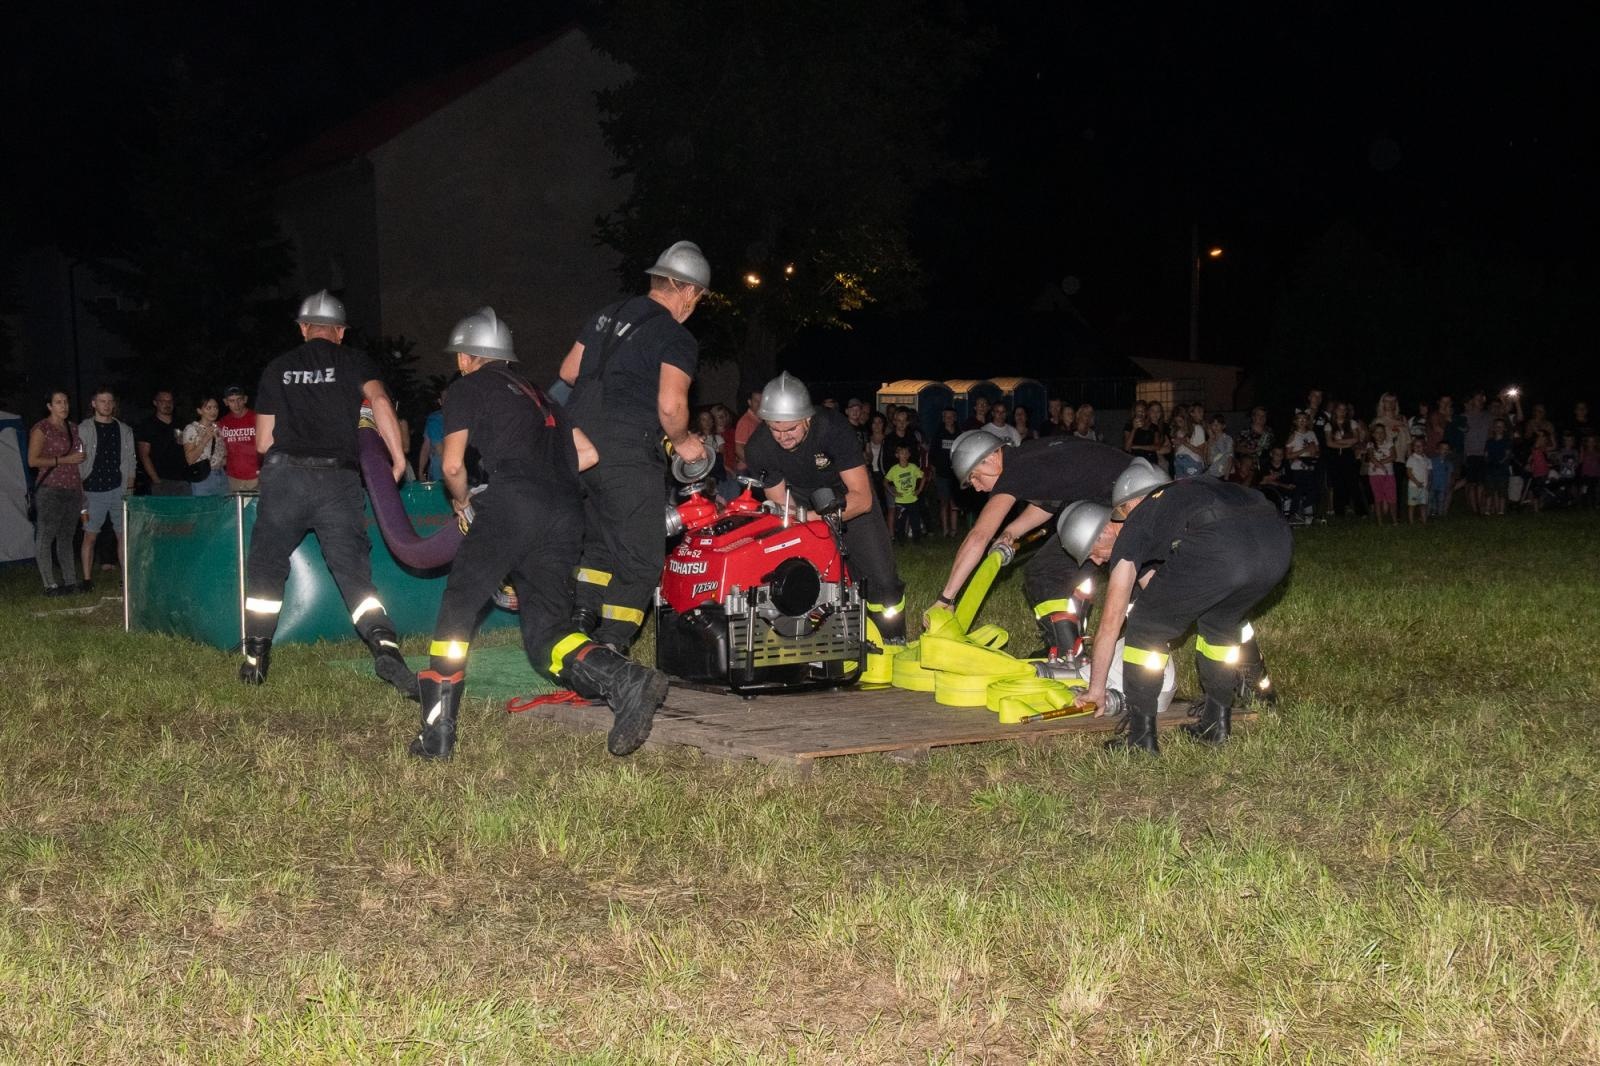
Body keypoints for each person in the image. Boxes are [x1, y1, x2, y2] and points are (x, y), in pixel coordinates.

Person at [407, 308, 668, 760]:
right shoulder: (542, 398)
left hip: (512, 503)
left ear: (467, 357)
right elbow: (588, 454)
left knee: (459, 605)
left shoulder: (468, 387)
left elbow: (451, 465)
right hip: (565, 512)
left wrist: (463, 502)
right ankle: (626, 678)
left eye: (459, 358)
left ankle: (437, 734)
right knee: (548, 631)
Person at [238, 290, 416, 698]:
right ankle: (385, 646)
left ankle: (255, 659)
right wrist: (397, 458)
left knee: (267, 567)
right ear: (340, 332)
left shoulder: (278, 368)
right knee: (353, 574)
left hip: (285, 479)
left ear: (303, 328)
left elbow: (263, 442)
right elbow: (380, 401)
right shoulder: (354, 361)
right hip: (338, 481)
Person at [1057, 460, 1290, 754]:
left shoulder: (1132, 527)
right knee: (1218, 623)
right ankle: (1215, 723)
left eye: (1093, 553)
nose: (1097, 562)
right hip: (1276, 544)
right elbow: (1169, 593)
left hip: (1222, 545)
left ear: (1106, 527)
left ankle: (1141, 739)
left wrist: (1096, 690)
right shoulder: (1183, 494)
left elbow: (1111, 621)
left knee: (1145, 628)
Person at [558, 241, 709, 652]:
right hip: (625, 451)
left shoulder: (608, 313)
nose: (694, 307)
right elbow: (671, 405)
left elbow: (568, 371)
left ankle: (580, 624)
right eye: (697, 298)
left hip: (577, 444)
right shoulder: (676, 336)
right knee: (641, 558)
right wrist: (683, 442)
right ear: (687, 290)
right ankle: (609, 648)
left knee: (598, 544)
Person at [743, 372, 908, 661]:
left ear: (807, 418)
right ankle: (826, 642)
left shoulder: (833, 428)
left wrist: (817, 517)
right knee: (807, 576)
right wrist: (805, 524)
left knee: (880, 576)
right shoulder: (759, 447)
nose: (783, 437)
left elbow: (863, 498)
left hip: (846, 494)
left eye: (790, 428)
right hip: (800, 501)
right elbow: (782, 506)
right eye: (774, 429)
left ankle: (893, 638)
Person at [936, 430, 1131, 663]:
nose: (977, 488)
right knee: (1049, 567)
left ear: (990, 458)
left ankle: (1068, 654)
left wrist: (945, 599)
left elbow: (978, 536)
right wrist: (1010, 533)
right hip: (1133, 497)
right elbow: (1046, 505)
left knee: (1045, 572)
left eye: (975, 478)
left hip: (1127, 506)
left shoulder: (1015, 470)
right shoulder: (1030, 459)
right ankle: (1069, 648)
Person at [28, 390, 86, 596]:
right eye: (58, 402)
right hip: (50, 489)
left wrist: (81, 491)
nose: (64, 406)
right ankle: (50, 585)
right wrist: (64, 460)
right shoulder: (41, 428)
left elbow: (78, 461)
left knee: (66, 537)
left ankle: (70, 581)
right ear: (49, 406)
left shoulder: (73, 428)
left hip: (72, 489)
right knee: (46, 536)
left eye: (66, 402)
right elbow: (32, 461)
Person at [77, 385, 135, 585]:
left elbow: (130, 460)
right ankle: (87, 580)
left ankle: (126, 579)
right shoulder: (83, 429)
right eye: (102, 401)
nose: (107, 405)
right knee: (90, 535)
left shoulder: (124, 430)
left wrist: (130, 489)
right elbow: (78, 461)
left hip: (119, 489)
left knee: (123, 535)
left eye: (110, 401)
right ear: (94, 403)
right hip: (93, 490)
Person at [136, 389, 190, 496]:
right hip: (161, 481)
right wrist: (156, 480)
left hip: (182, 481)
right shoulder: (147, 425)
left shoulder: (181, 423)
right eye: (163, 401)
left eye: (170, 401)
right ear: (155, 403)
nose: (167, 404)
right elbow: (144, 455)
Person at [182, 395, 229, 496]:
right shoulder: (192, 429)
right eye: (208, 408)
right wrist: (204, 440)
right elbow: (190, 459)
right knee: (204, 505)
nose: (213, 411)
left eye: (216, 407)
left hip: (221, 474)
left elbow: (223, 453)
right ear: (199, 411)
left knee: (223, 505)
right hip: (203, 476)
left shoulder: (218, 428)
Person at [217, 385, 260, 491]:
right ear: (226, 402)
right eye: (231, 401)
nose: (236, 405)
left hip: (257, 476)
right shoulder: (222, 423)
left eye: (239, 399)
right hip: (232, 478)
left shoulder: (258, 418)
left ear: (245, 399)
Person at [884, 443, 926, 542]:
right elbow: (885, 482)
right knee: (900, 522)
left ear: (909, 455)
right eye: (901, 453)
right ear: (897, 455)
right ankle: (901, 541)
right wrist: (893, 493)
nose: (904, 455)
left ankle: (917, 540)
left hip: (912, 499)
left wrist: (919, 490)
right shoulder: (894, 469)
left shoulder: (913, 467)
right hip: (900, 501)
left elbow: (924, 477)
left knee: (915, 521)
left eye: (906, 453)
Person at [930, 406, 961, 537]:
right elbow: (932, 454)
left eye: (951, 416)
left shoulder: (959, 434)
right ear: (943, 418)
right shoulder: (938, 434)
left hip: (956, 474)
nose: (949, 419)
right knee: (944, 502)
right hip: (941, 474)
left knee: (954, 503)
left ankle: (954, 530)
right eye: (946, 416)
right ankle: (945, 530)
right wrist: (933, 471)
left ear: (955, 418)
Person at [1285, 411, 1320, 524]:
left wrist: (1314, 453)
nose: (1302, 421)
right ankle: (1293, 515)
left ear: (1308, 421)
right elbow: (1288, 455)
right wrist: (1304, 450)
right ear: (1295, 421)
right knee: (1298, 491)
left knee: (1313, 490)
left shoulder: (1311, 434)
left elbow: (1317, 451)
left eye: (1304, 419)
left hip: (1310, 466)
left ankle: (1308, 514)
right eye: (1299, 419)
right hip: (1298, 467)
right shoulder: (1293, 436)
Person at [416, 380, 450, 482]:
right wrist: (420, 472)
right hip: (440, 475)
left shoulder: (461, 417)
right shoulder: (435, 419)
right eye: (445, 398)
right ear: (440, 402)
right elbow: (428, 446)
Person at [1365, 421, 1398, 525]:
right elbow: (1371, 457)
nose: (1380, 434)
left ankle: (1395, 521)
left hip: (1389, 475)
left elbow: (1393, 456)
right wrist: (1380, 465)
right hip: (1374, 476)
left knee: (1392, 498)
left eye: (1382, 432)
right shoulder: (1370, 444)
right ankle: (1380, 522)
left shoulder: (1389, 443)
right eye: (1377, 432)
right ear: (1373, 434)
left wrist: (1379, 464)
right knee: (1378, 499)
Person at [1405, 441, 1430, 524]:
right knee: (1412, 505)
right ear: (1413, 448)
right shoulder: (1411, 458)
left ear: (1425, 447)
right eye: (1416, 446)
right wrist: (1416, 482)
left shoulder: (1427, 459)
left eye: (1420, 446)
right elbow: (1409, 472)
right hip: (1414, 486)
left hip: (1424, 486)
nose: (1418, 448)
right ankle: (1411, 522)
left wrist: (1428, 483)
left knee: (1423, 504)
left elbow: (1428, 472)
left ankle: (1424, 521)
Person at [1429, 441, 1456, 518]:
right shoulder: (1432, 461)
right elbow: (1429, 473)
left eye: (1447, 449)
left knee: (1441, 499)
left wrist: (1449, 484)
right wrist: (1429, 482)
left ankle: (1440, 514)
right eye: (1443, 449)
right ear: (1437, 450)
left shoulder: (1449, 463)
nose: (1445, 451)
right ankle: (1431, 513)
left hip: (1443, 486)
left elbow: (1450, 475)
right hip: (1433, 484)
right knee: (1431, 499)